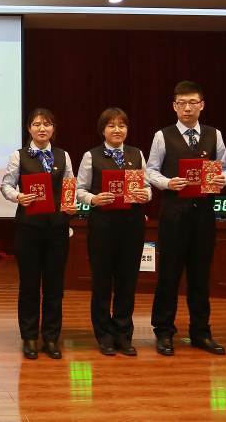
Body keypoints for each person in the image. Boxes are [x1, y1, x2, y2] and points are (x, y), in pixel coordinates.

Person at [145, 81, 226, 357]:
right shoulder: (162, 135)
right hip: (173, 215)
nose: (188, 108)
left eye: (193, 102)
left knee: (200, 276)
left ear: (202, 105)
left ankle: (201, 332)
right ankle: (164, 331)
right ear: (174, 106)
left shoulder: (214, 135)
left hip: (204, 215)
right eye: (182, 103)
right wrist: (168, 183)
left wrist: (222, 179)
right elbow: (150, 171)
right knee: (168, 275)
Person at [0, 108, 75, 360]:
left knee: (54, 286)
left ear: (53, 128)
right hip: (28, 228)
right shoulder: (19, 155)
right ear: (29, 129)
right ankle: (30, 337)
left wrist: (71, 204)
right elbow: (6, 185)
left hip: (57, 229)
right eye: (37, 124)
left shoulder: (63, 155)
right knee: (29, 285)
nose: (42, 129)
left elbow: (70, 186)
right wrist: (18, 196)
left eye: (47, 124)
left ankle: (51, 338)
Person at [76, 107, 151, 357]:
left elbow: (147, 186)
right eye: (111, 125)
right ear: (103, 130)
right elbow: (79, 190)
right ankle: (104, 335)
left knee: (127, 282)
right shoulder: (91, 156)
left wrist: (145, 194)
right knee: (102, 282)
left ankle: (123, 334)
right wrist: (94, 199)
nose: (117, 130)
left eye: (122, 125)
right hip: (103, 226)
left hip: (132, 225)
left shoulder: (136, 154)